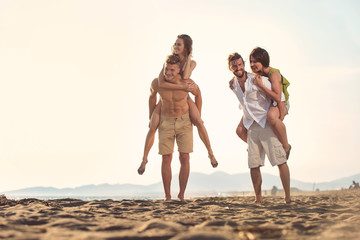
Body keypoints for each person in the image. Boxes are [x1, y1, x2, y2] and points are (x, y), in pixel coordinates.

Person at [138, 35, 217, 175]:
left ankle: (210, 153)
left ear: (186, 48)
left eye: (179, 44)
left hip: (184, 98)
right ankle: (144, 159)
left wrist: (198, 112)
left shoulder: (191, 63)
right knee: (152, 126)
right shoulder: (168, 60)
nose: (175, 46)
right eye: (175, 44)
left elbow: (186, 78)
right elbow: (161, 84)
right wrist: (151, 114)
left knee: (199, 121)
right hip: (166, 99)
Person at [228, 52, 291, 204]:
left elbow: (279, 97)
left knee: (280, 160)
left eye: (240, 64)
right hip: (251, 126)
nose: (238, 68)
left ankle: (288, 198)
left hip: (266, 123)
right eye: (234, 66)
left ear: (243, 64)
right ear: (230, 68)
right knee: (253, 164)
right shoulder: (234, 84)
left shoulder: (258, 79)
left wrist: (280, 115)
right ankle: (258, 199)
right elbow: (244, 104)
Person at [149, 54, 200, 201]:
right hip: (165, 120)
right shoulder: (158, 82)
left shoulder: (187, 82)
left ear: (178, 70)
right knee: (166, 158)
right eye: (167, 69)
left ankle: (182, 194)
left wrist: (198, 116)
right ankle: (167, 196)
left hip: (184, 120)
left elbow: (198, 94)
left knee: (185, 157)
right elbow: (152, 96)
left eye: (172, 70)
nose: (169, 73)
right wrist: (150, 115)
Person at [232, 47, 291, 159]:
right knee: (240, 130)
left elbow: (279, 97)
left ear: (263, 61)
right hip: (270, 101)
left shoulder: (273, 74)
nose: (253, 65)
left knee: (271, 117)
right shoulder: (256, 74)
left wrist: (281, 113)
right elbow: (243, 76)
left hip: (281, 102)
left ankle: (286, 146)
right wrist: (234, 80)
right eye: (251, 62)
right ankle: (257, 146)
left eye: (256, 62)